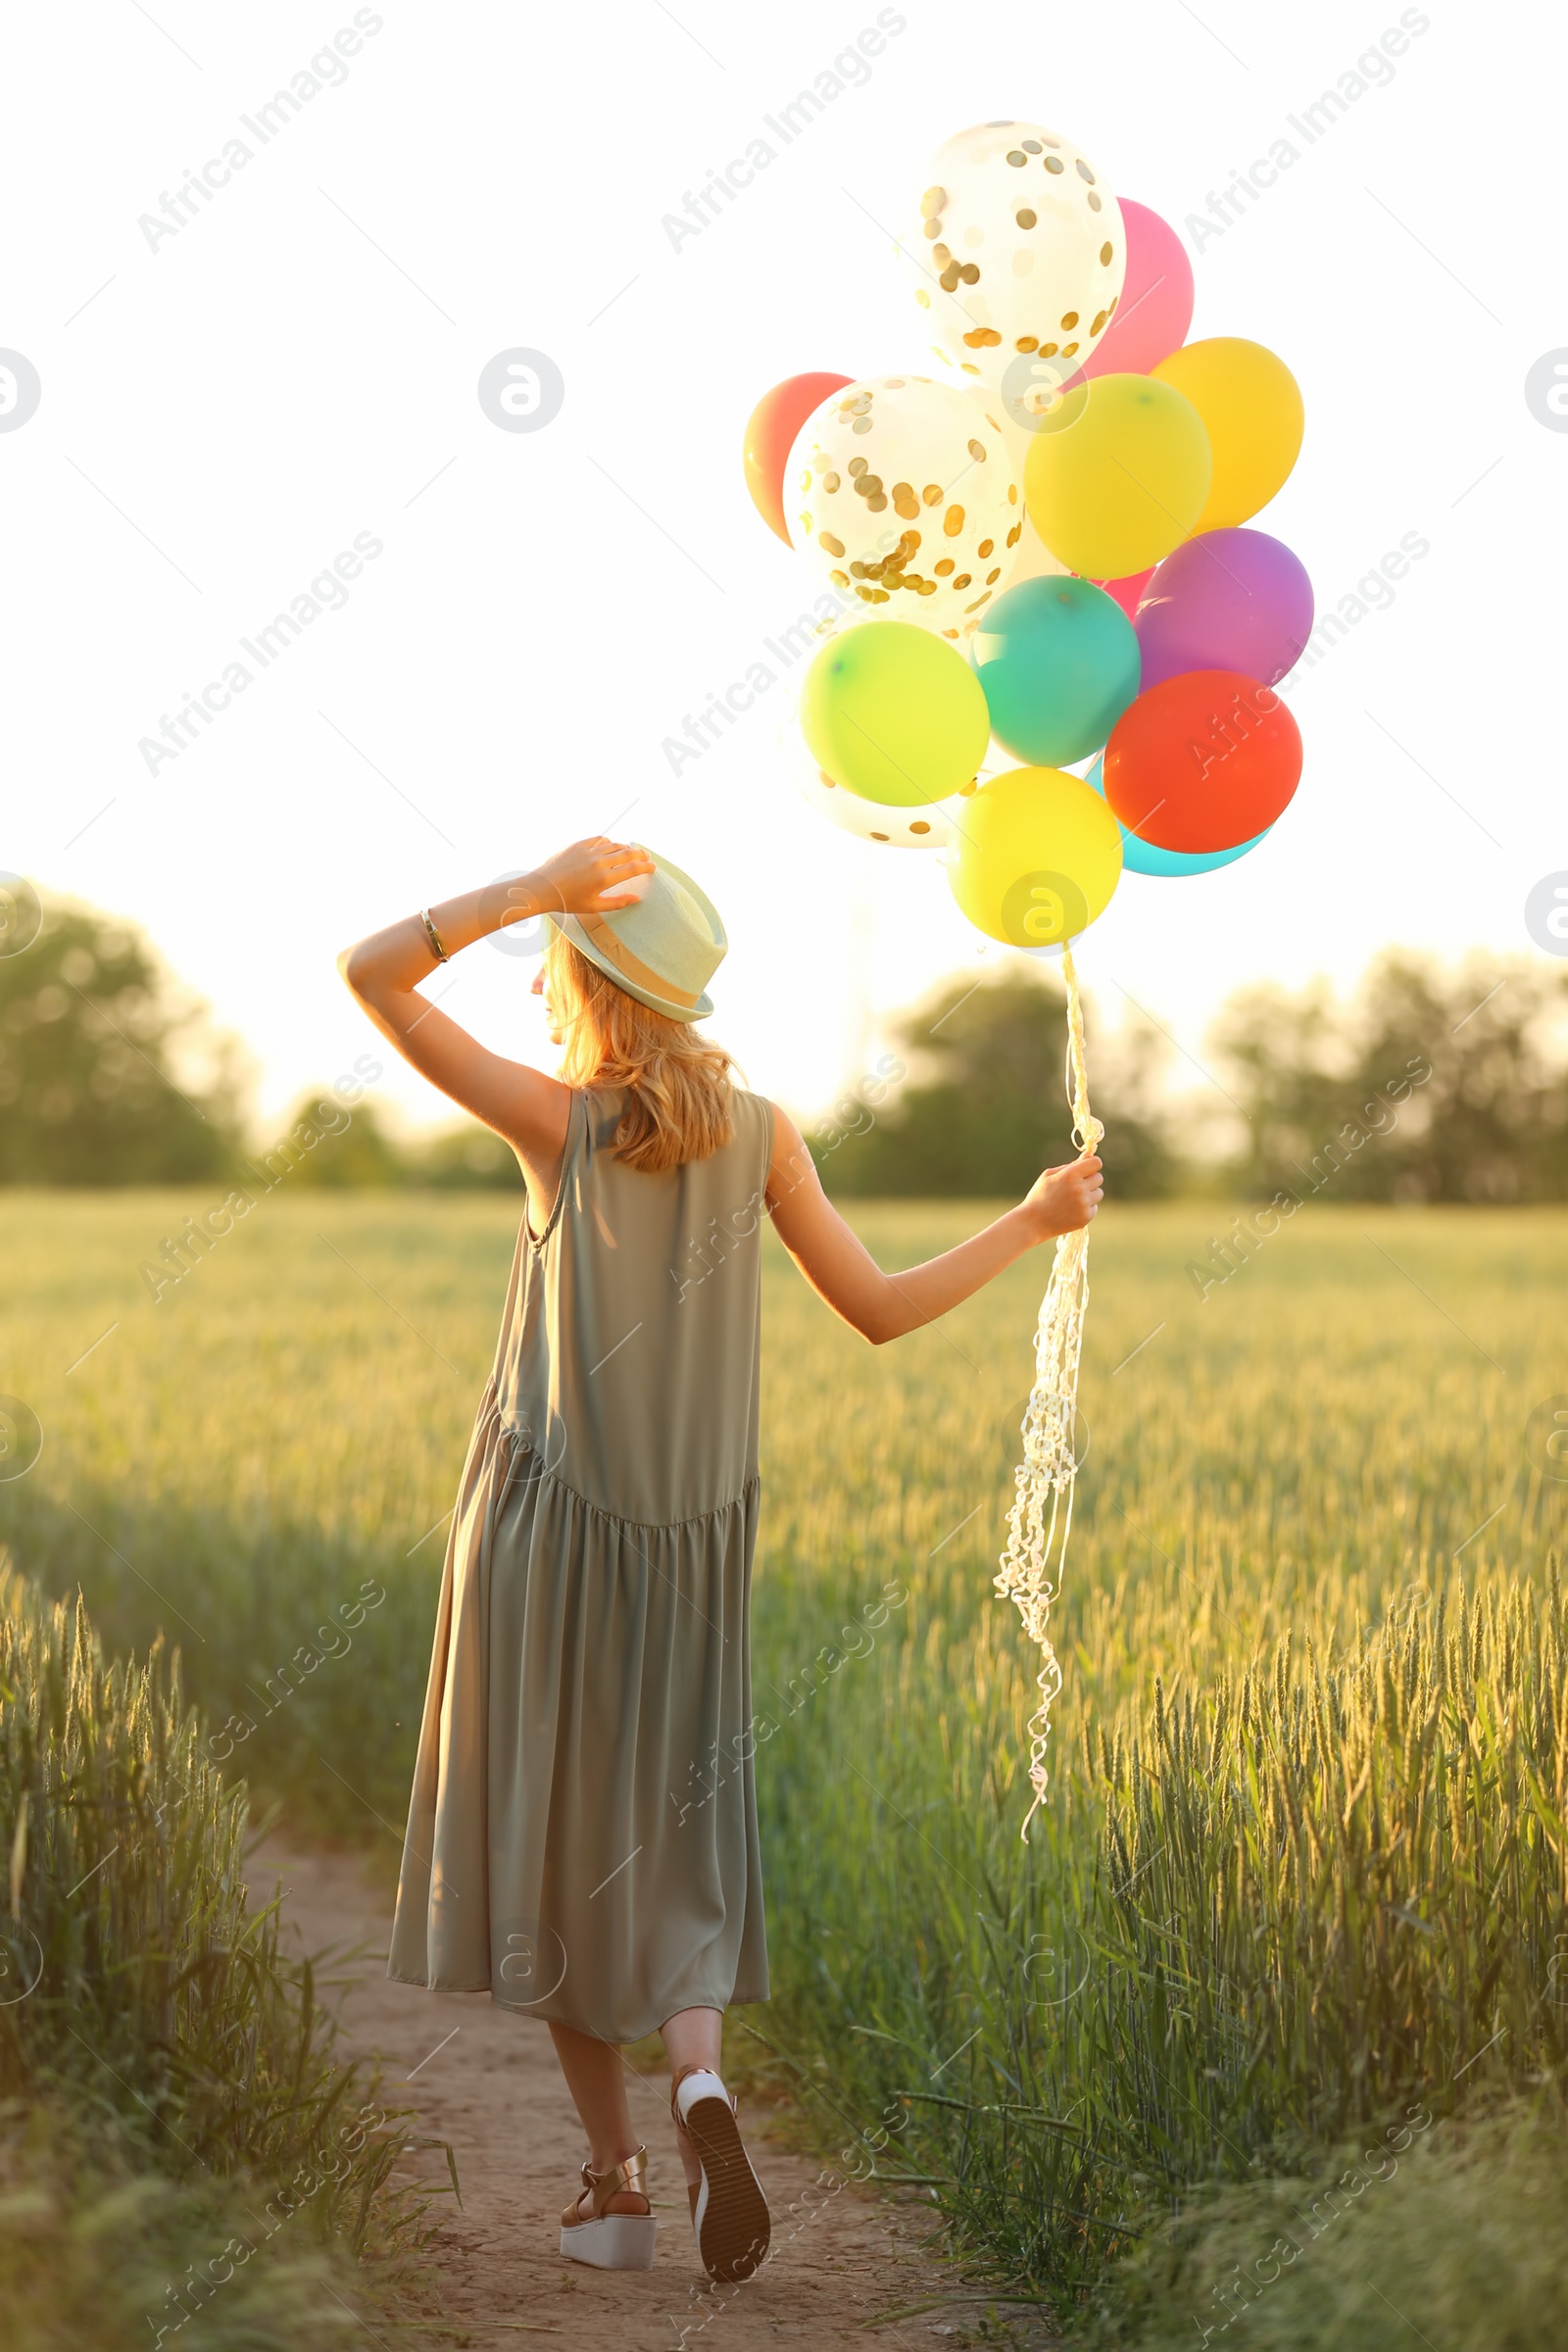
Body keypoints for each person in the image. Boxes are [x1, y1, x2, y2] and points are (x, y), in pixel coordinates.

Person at [338, 837, 1102, 2285]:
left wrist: (529, 890)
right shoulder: (762, 1133)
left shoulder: (557, 1121)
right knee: (676, 1842)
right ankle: (700, 2085)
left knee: (570, 1852)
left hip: (548, 1540)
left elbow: (369, 974)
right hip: (693, 1558)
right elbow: (877, 1309)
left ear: (584, 977)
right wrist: (1032, 1216)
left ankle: (616, 2188)